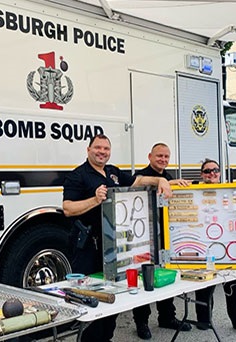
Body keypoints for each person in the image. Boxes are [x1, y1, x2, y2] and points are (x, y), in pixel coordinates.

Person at [63, 134, 172, 342]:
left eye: (106, 149)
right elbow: (67, 208)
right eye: (98, 148)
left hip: (113, 247)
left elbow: (138, 180)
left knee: (114, 295)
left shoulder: (112, 172)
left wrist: (161, 179)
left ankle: (106, 338)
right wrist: (95, 200)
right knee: (92, 297)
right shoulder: (77, 175)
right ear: (88, 150)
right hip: (89, 248)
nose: (102, 152)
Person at [131, 142, 192, 340]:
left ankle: (167, 317)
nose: (163, 160)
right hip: (144, 238)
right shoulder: (141, 176)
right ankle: (141, 323)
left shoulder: (168, 177)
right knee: (144, 281)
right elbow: (142, 186)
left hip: (165, 237)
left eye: (166, 157)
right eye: (159, 156)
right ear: (150, 156)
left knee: (166, 277)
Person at [194, 158, 236, 336]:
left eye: (215, 170)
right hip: (204, 246)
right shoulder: (193, 190)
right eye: (207, 171)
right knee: (204, 285)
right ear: (202, 174)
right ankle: (203, 320)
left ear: (220, 172)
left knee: (234, 285)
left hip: (229, 247)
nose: (212, 174)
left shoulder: (231, 191)